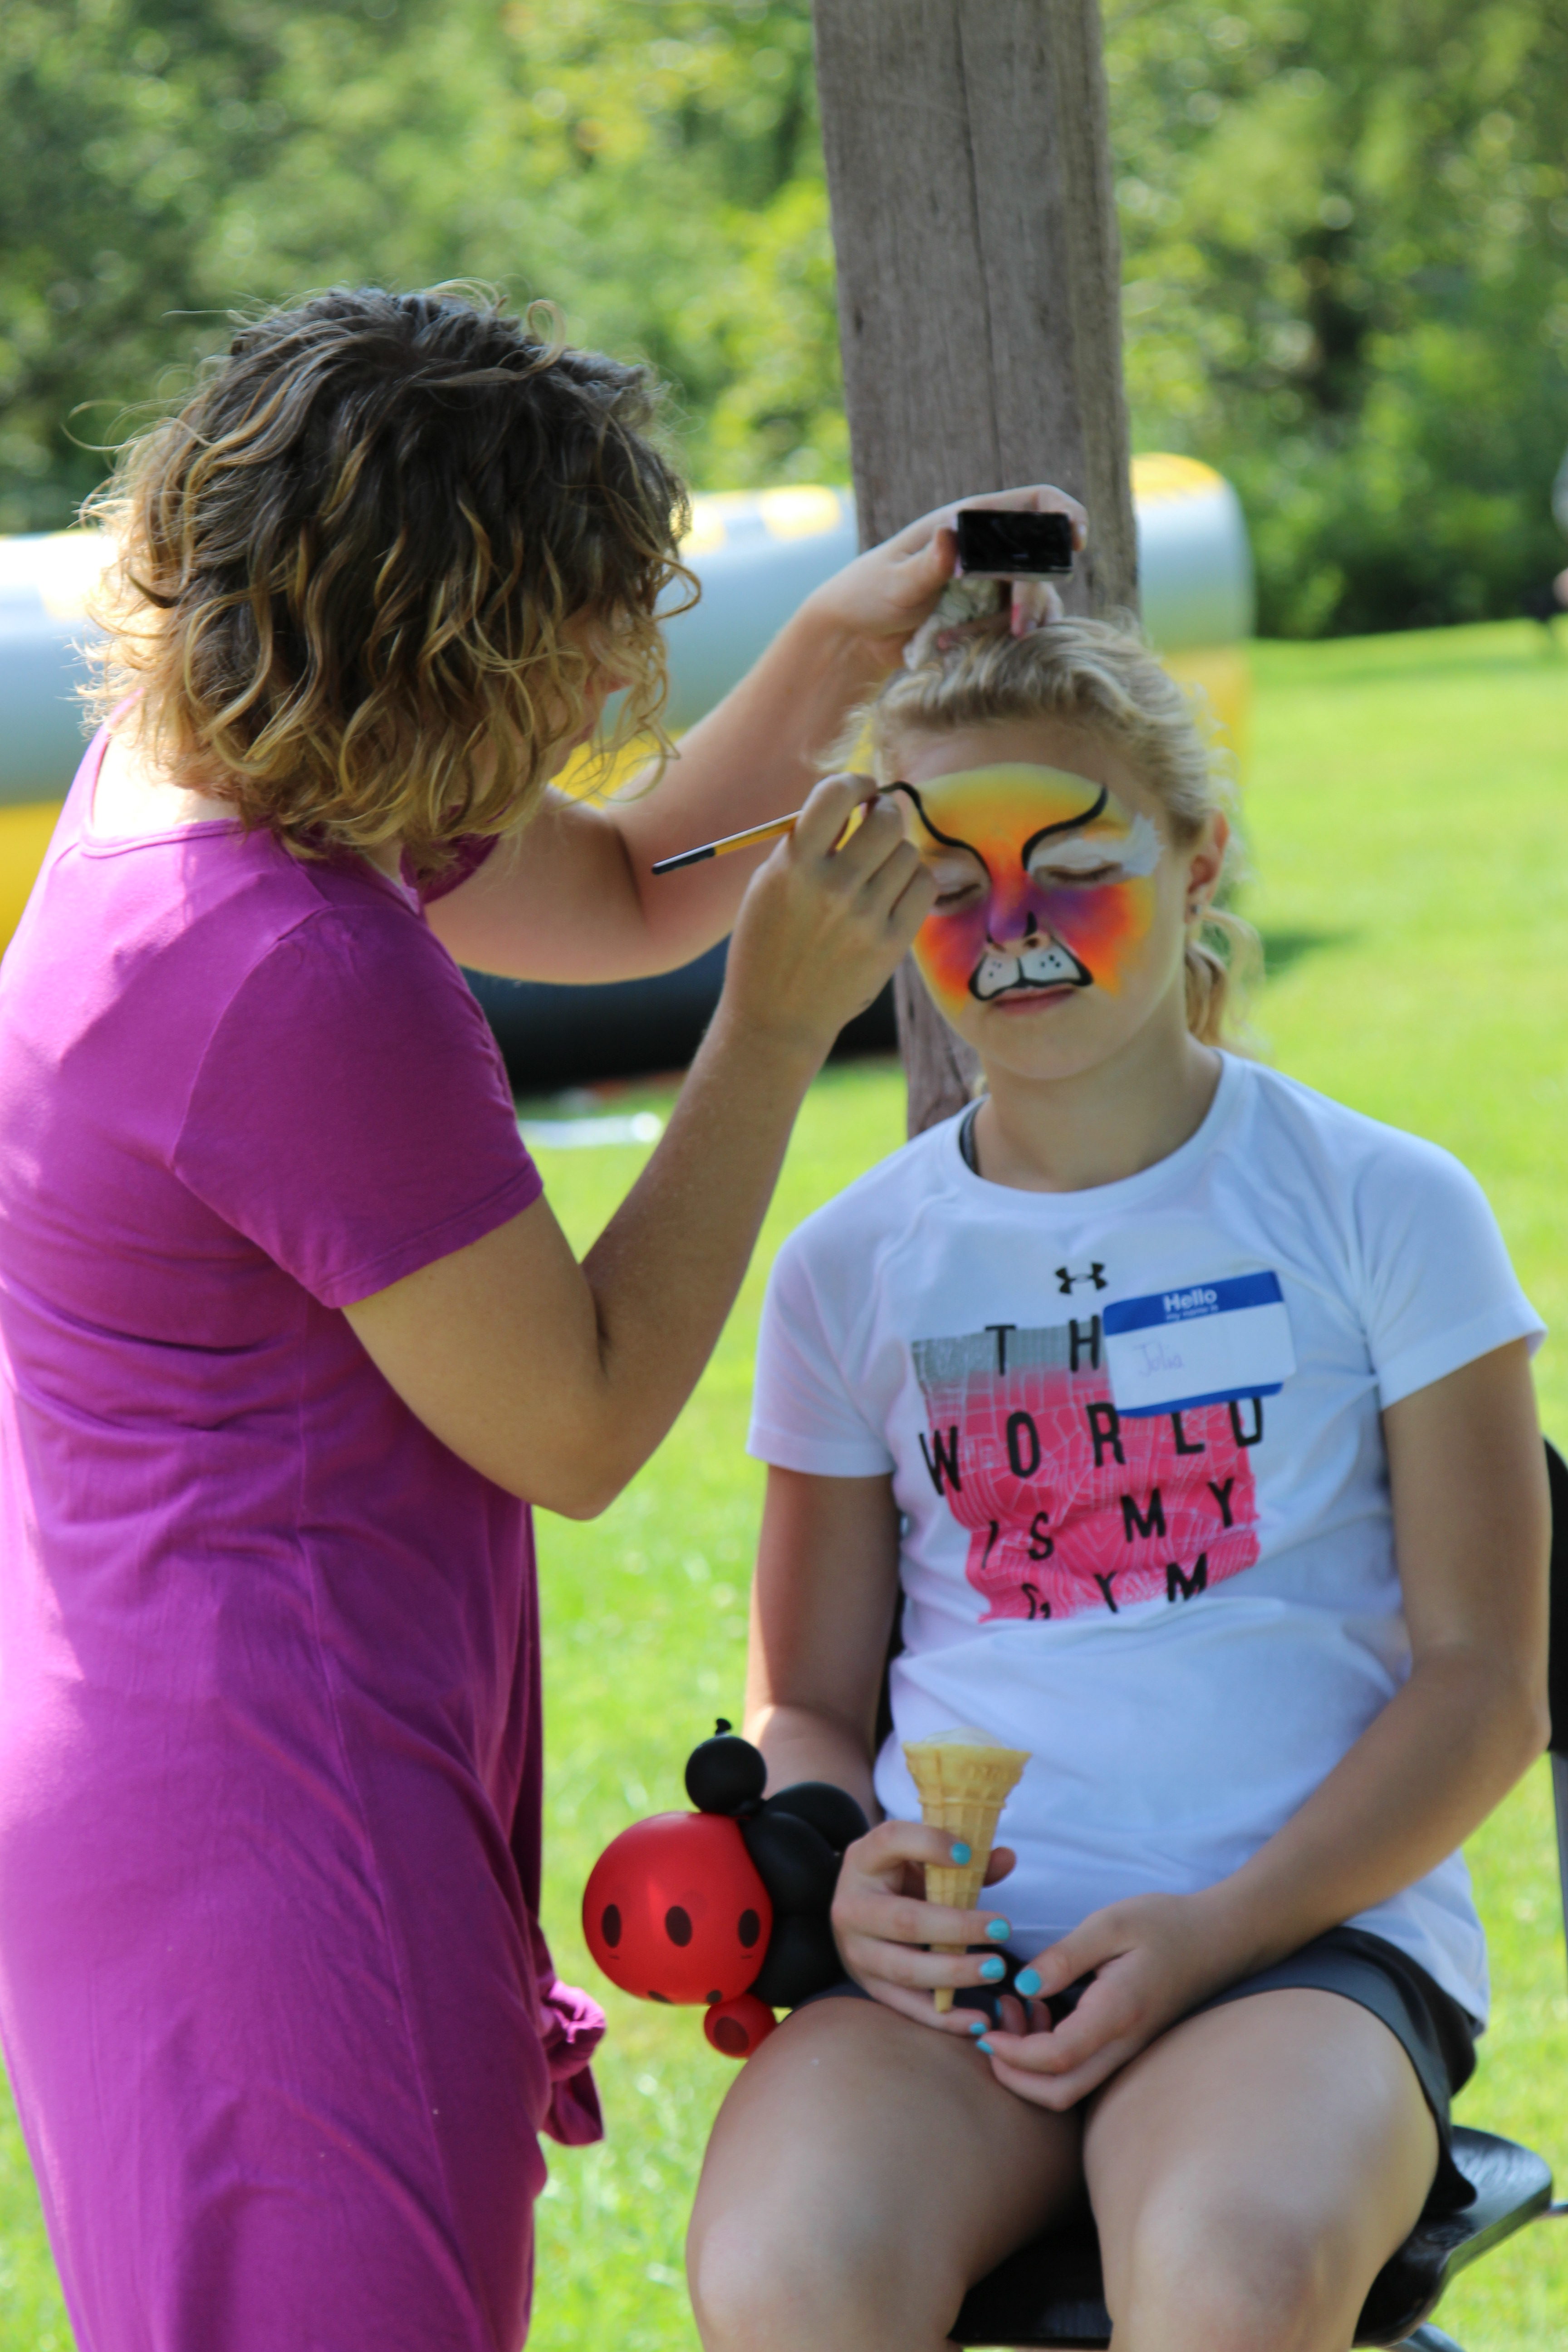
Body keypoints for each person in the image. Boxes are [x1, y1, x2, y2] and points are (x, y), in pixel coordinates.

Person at [0, 282, 1082, 2352]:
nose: (624, 669)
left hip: (153, 1769)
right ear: (449, 638)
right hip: (275, 1812)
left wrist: (831, 657)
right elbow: (577, 1430)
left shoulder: (201, 780)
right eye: (593, 624)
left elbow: (621, 884)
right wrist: (769, 1033)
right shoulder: (296, 974)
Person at [686, 613, 1551, 2352]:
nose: (1010, 931)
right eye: (946, 885)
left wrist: (1225, 1925)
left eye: (1077, 868)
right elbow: (809, 1702)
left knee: (1230, 2281)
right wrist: (838, 1853)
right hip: (952, 1981)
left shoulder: (1381, 1206)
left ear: (1200, 852)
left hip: (1303, 1944)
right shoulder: (851, 1270)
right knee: (787, 2284)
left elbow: (1485, 1688)